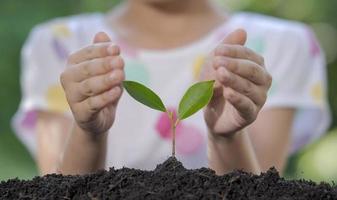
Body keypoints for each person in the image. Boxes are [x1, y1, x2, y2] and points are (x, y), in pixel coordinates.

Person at [13, 0, 330, 175]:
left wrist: (226, 135)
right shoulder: (61, 45)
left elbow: (260, 189)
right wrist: (89, 132)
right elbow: (59, 189)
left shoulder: (278, 46)